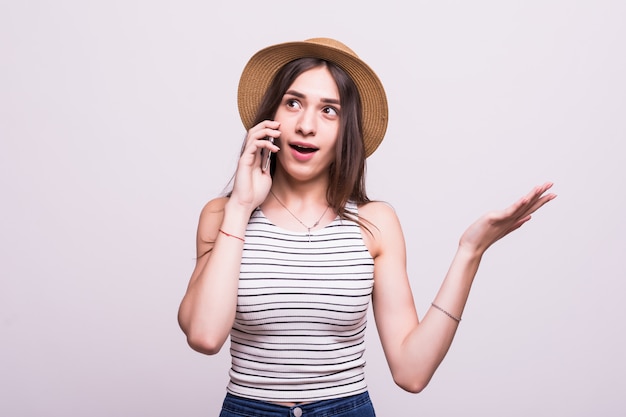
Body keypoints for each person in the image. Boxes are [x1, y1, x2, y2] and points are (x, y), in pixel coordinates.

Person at [177, 37, 556, 416]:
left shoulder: (376, 223)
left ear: (347, 130)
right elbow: (205, 337)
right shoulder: (222, 215)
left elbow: (412, 372)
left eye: (329, 110)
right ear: (271, 115)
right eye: (293, 103)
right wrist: (242, 206)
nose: (306, 125)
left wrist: (470, 251)